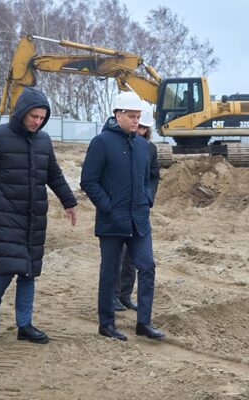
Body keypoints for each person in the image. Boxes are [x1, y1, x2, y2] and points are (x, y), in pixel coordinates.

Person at [0, 87, 77, 344]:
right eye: (33, 116)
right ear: (21, 112)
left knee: (29, 271)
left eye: (41, 117)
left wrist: (69, 201)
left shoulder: (43, 140)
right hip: (3, 214)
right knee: (6, 269)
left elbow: (53, 173)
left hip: (34, 216)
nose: (37, 121)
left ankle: (25, 325)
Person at [80, 91, 165, 341]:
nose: (136, 121)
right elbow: (89, 180)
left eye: (138, 116)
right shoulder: (101, 142)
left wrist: (147, 199)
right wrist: (107, 206)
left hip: (139, 220)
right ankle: (106, 324)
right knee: (110, 273)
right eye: (131, 116)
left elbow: (151, 177)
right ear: (117, 115)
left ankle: (144, 323)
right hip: (112, 221)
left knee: (147, 266)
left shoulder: (143, 146)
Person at [114, 101, 160, 312]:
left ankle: (125, 295)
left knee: (133, 258)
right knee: (118, 256)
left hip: (139, 211)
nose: (139, 129)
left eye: (143, 127)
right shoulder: (117, 144)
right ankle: (113, 296)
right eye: (138, 125)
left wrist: (148, 199)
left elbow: (153, 177)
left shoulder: (149, 149)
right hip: (120, 211)